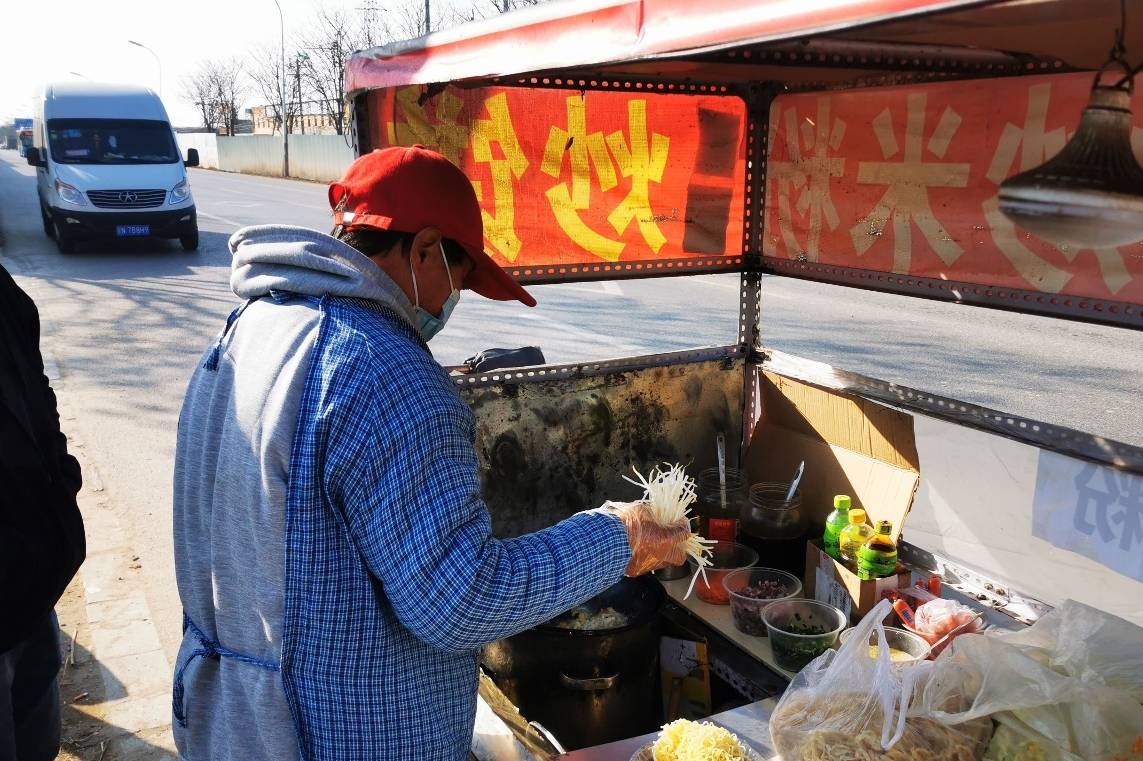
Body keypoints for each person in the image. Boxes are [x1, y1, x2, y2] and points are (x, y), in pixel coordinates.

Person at [171, 145, 691, 760]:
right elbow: (460, 599)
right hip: (335, 739)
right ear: (423, 249)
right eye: (460, 276)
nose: (455, 300)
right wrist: (619, 538)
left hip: (227, 715)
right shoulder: (389, 375)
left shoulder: (252, 329)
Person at [0, 264, 85, 761]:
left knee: (37, 741)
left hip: (31, 582)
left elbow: (38, 395)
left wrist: (61, 481)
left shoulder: (6, 295)